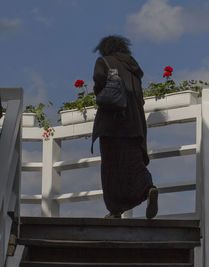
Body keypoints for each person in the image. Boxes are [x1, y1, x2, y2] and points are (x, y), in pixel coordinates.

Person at [91, 35, 158, 219]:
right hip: (135, 124)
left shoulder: (103, 62)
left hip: (113, 124)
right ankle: (148, 189)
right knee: (133, 164)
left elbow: (100, 88)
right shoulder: (133, 67)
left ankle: (115, 210)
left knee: (112, 168)